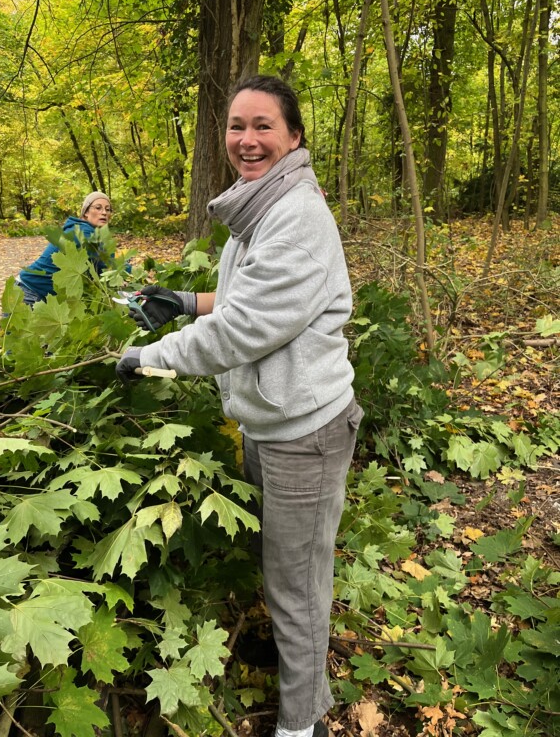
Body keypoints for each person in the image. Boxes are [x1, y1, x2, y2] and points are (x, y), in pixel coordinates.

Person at [116, 75, 362, 737]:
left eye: (262, 127)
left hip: (304, 433)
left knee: (297, 587)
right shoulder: (262, 206)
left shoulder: (298, 216)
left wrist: (153, 356)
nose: (246, 140)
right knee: (281, 570)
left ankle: (300, 722)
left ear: (294, 136)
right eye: (236, 126)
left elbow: (248, 330)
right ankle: (292, 668)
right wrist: (186, 301)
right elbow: (249, 300)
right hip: (269, 423)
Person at [16, 191, 115, 305]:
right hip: (28, 292)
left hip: (43, 296)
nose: (104, 213)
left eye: (108, 209)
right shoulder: (81, 232)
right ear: (86, 212)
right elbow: (107, 264)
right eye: (98, 208)